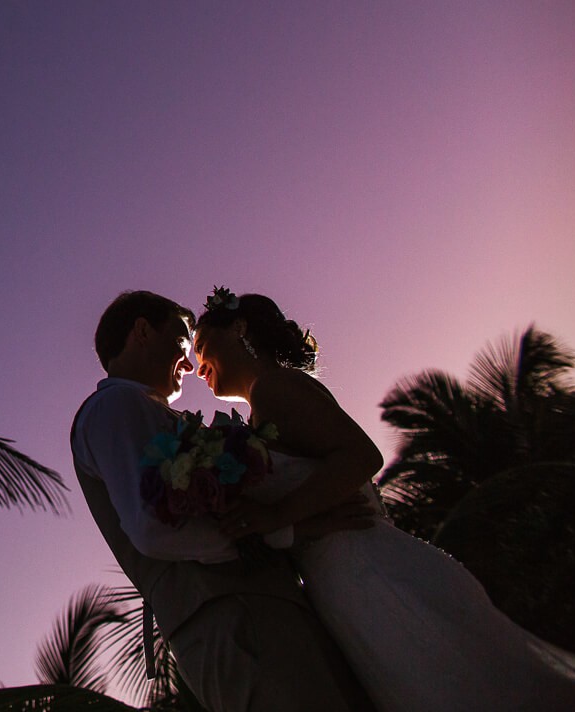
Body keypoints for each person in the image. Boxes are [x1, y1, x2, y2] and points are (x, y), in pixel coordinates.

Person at [194, 288, 575, 712]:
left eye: (202, 345)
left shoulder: (273, 386)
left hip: (372, 575)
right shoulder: (261, 406)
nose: (196, 367)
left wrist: (276, 513)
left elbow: (361, 456)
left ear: (239, 328)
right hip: (345, 585)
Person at [71, 290, 373, 712]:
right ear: (142, 331)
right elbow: (153, 528)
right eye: (181, 339)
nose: (190, 363)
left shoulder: (145, 410)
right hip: (233, 618)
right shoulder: (116, 405)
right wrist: (283, 531)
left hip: (258, 610)